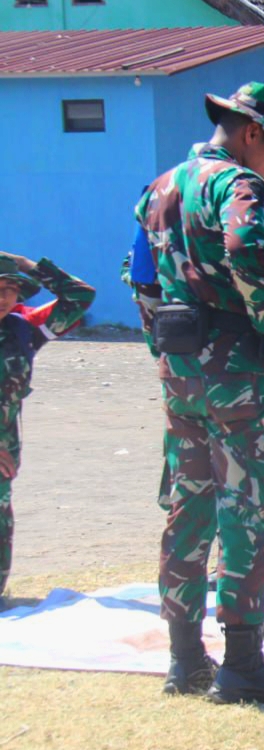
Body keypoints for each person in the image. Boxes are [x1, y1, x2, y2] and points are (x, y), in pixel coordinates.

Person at [134, 81, 264, 705]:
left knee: (189, 503)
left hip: (181, 368)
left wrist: (166, 338)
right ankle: (242, 661)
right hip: (237, 372)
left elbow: (139, 275)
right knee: (248, 507)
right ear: (251, 134)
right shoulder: (234, 184)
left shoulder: (160, 187)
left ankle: (185, 658)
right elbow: (243, 244)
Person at [0, 252, 95, 607]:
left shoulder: (22, 329)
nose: (5, 297)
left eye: (11, 289)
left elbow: (80, 298)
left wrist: (29, 266)